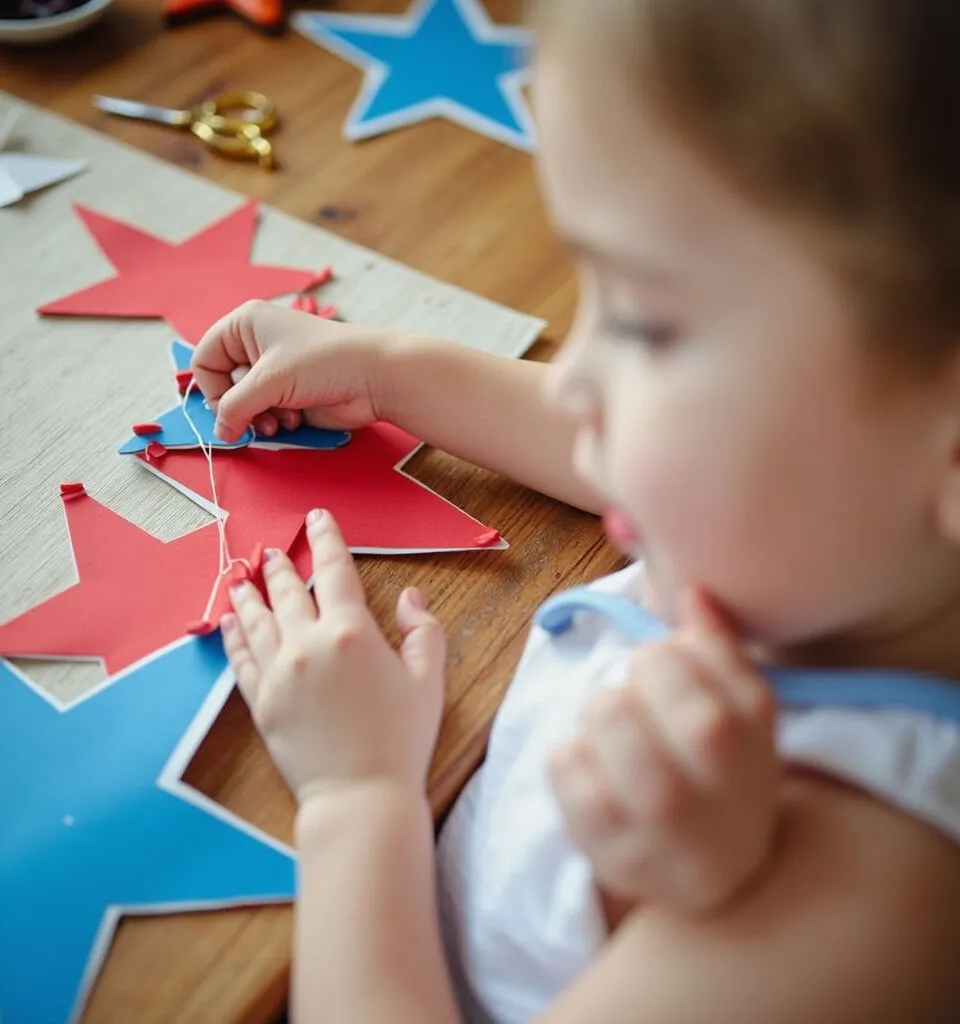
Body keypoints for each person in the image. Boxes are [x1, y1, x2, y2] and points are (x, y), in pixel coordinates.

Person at [193, 0, 960, 1020]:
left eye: (644, 319)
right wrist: (390, 371)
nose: (570, 379)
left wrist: (360, 796)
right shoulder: (840, 540)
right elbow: (622, 457)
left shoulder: (860, 903)